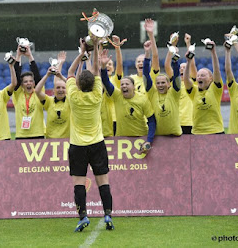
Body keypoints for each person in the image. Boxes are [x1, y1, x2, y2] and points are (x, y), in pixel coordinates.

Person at [67, 37, 114, 232]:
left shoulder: (73, 96)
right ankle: (108, 214)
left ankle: (83, 216)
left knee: (79, 183)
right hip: (97, 144)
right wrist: (95, 46)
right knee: (103, 181)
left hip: (78, 146)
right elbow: (95, 71)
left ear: (77, 84)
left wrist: (81, 54)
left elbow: (69, 72)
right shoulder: (97, 95)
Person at [100, 48, 156, 150]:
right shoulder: (117, 95)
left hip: (141, 138)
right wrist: (103, 66)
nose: (123, 86)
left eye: (127, 84)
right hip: (121, 140)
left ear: (133, 87)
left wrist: (149, 140)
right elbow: (106, 82)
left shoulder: (143, 99)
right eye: (122, 84)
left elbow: (152, 121)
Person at [183, 40, 224, 134]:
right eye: (198, 75)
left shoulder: (215, 89)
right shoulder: (194, 91)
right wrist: (188, 62)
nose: (199, 77)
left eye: (203, 75)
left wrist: (213, 52)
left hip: (216, 131)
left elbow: (217, 70)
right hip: (197, 133)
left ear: (210, 78)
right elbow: (186, 79)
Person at [143, 40, 182, 136]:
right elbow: (145, 75)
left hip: (175, 136)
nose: (160, 85)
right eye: (158, 83)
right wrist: (147, 53)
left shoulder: (174, 93)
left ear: (169, 84)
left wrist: (175, 60)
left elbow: (177, 75)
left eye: (163, 82)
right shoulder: (152, 93)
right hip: (158, 138)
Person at [164, 33, 197, 134]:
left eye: (184, 67)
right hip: (176, 122)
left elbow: (192, 65)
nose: (182, 69)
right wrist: (172, 46)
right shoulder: (174, 82)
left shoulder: (192, 82)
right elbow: (167, 65)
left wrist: (188, 44)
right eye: (180, 68)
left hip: (191, 122)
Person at [13, 45, 45, 139]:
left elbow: (37, 77)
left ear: (34, 83)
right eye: (26, 82)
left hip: (38, 134)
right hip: (21, 135)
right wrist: (18, 56)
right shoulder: (18, 94)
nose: (28, 83)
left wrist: (29, 56)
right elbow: (16, 77)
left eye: (31, 81)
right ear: (22, 84)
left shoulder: (38, 93)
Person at [35, 65, 70, 139]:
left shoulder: (70, 101)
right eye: (58, 88)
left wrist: (60, 76)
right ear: (53, 91)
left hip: (67, 140)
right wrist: (47, 75)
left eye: (63, 88)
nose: (60, 90)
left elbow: (75, 87)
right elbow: (37, 91)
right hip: (50, 141)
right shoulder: (49, 101)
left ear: (67, 90)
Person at [130, 18, 160, 95]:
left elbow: (155, 56)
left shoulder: (153, 75)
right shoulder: (131, 79)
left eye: (143, 61)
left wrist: (150, 34)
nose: (141, 63)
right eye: (138, 61)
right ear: (135, 65)